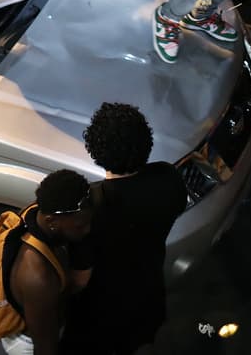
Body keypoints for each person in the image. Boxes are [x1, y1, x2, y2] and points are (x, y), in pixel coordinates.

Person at [62, 103, 186, 354]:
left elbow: (80, 279)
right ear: (146, 142)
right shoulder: (168, 177)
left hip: (101, 315)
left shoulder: (91, 205)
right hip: (147, 297)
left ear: (95, 150)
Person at [0, 170, 95, 355]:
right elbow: (45, 348)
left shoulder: (36, 212)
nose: (87, 230)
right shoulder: (39, 277)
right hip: (30, 344)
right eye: (80, 226)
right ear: (52, 222)